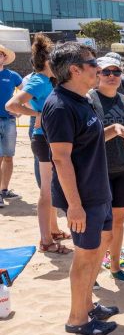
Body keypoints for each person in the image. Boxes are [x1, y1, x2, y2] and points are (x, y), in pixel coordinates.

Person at [43, 42, 124, 335]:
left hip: (99, 190)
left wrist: (114, 130)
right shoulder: (59, 106)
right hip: (83, 197)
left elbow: (86, 140)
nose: (98, 67)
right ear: (75, 69)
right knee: (85, 256)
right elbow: (60, 157)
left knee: (99, 248)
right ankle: (77, 319)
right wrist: (74, 206)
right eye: (93, 62)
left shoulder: (82, 100)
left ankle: (88, 305)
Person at [5, 34, 70, 251]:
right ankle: (46, 241)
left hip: (51, 137)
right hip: (44, 138)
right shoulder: (38, 80)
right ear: (48, 62)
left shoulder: (48, 80)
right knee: (46, 190)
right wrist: (39, 112)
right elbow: (12, 105)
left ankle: (53, 229)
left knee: (52, 187)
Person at [90, 56, 124, 283]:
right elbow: (87, 140)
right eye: (106, 72)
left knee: (118, 221)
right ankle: (92, 272)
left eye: (116, 72)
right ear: (97, 75)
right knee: (98, 225)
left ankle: (114, 267)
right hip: (99, 170)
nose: (112, 76)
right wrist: (114, 130)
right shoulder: (89, 100)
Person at [0, 43, 23, 207]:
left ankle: (4, 190)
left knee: (8, 156)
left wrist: (21, 111)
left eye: (0, 54)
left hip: (9, 121)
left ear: (4, 57)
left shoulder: (13, 75)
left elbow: (26, 94)